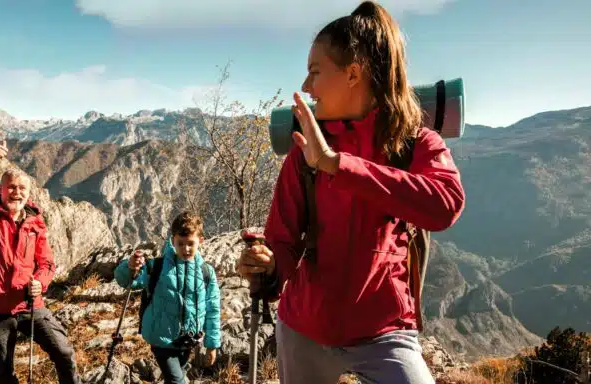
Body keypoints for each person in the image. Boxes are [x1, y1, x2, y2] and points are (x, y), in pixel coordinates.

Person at [235, 1, 466, 383]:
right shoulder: (304, 148)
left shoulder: (414, 143)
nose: (307, 86)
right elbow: (284, 238)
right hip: (303, 330)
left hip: (385, 333)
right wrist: (269, 264)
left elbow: (445, 205)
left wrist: (337, 164)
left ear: (353, 74)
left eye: (315, 72)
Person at [0, 141, 80, 384]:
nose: (16, 192)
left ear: (28, 193)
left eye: (22, 188)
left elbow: (46, 264)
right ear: (0, 190)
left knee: (64, 352)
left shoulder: (35, 224)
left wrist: (41, 284)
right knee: (3, 370)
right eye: (11, 187)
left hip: (29, 303)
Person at [114, 211, 221, 384]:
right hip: (161, 340)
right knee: (178, 381)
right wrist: (130, 266)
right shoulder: (157, 267)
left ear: (201, 241)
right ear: (172, 241)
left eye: (190, 244)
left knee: (173, 379)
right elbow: (126, 280)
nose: (186, 248)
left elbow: (213, 309)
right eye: (180, 243)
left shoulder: (206, 272)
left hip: (187, 341)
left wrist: (212, 344)